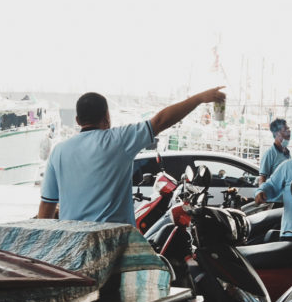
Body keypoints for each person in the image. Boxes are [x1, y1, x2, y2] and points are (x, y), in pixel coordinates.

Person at [37, 87, 225, 225]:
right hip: (113, 243)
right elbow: (160, 121)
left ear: (77, 120)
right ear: (107, 117)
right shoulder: (119, 140)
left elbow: (47, 206)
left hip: (73, 244)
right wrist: (199, 98)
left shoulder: (58, 152)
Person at [257, 118, 290, 205]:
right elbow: (262, 178)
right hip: (274, 201)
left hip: (285, 201)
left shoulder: (287, 153)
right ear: (277, 133)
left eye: (288, 129)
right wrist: (262, 195)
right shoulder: (270, 154)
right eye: (285, 130)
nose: (289, 132)